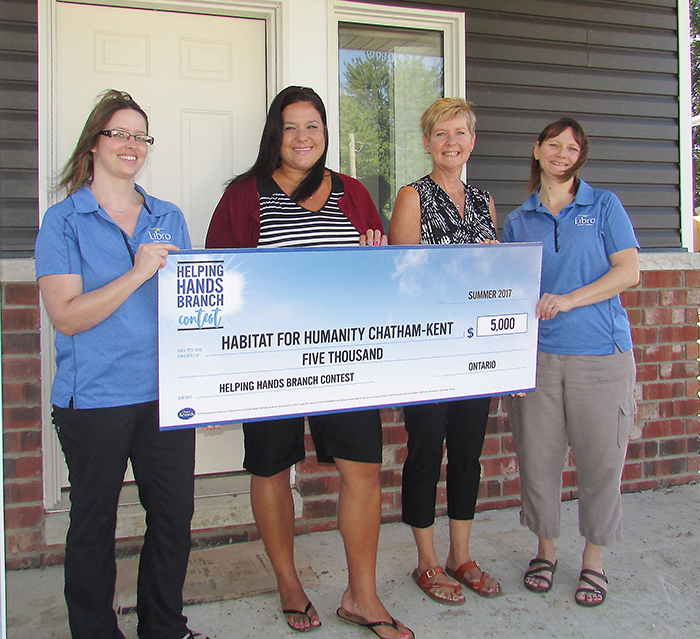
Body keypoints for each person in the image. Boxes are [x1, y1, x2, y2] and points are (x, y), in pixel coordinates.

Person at [206, 86, 413, 639]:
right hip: (270, 364)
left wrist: (377, 258)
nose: (303, 137)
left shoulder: (353, 193)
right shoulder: (243, 197)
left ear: (325, 133)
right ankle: (289, 584)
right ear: (276, 133)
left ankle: (361, 595)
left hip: (346, 358)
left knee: (363, 471)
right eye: (292, 126)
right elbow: (216, 283)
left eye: (314, 126)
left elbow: (389, 275)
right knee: (271, 468)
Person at [34, 90, 206, 639]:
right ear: (95, 142)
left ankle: (163, 628)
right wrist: (136, 273)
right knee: (92, 527)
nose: (132, 145)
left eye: (141, 136)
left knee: (174, 521)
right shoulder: (63, 221)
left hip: (165, 395)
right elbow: (65, 316)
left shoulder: (167, 216)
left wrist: (210, 386)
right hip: (95, 400)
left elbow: (191, 312)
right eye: (120, 133)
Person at [502, 118, 639, 607]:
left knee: (601, 462)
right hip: (539, 358)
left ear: (581, 156)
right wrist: (509, 363)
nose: (563, 153)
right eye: (554, 145)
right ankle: (545, 550)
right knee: (537, 461)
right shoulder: (519, 220)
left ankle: (594, 561)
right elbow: (510, 295)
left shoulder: (603, 205)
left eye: (572, 148)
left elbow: (629, 271)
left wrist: (570, 299)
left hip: (600, 355)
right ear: (536, 150)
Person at [389, 97, 502, 605]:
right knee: (425, 452)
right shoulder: (412, 196)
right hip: (427, 351)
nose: (451, 142)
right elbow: (402, 277)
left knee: (468, 456)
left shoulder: (484, 202)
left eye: (460, 133)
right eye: (441, 134)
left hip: (475, 350)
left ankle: (462, 555)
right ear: (428, 141)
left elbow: (497, 277)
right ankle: (427, 561)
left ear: (472, 141)